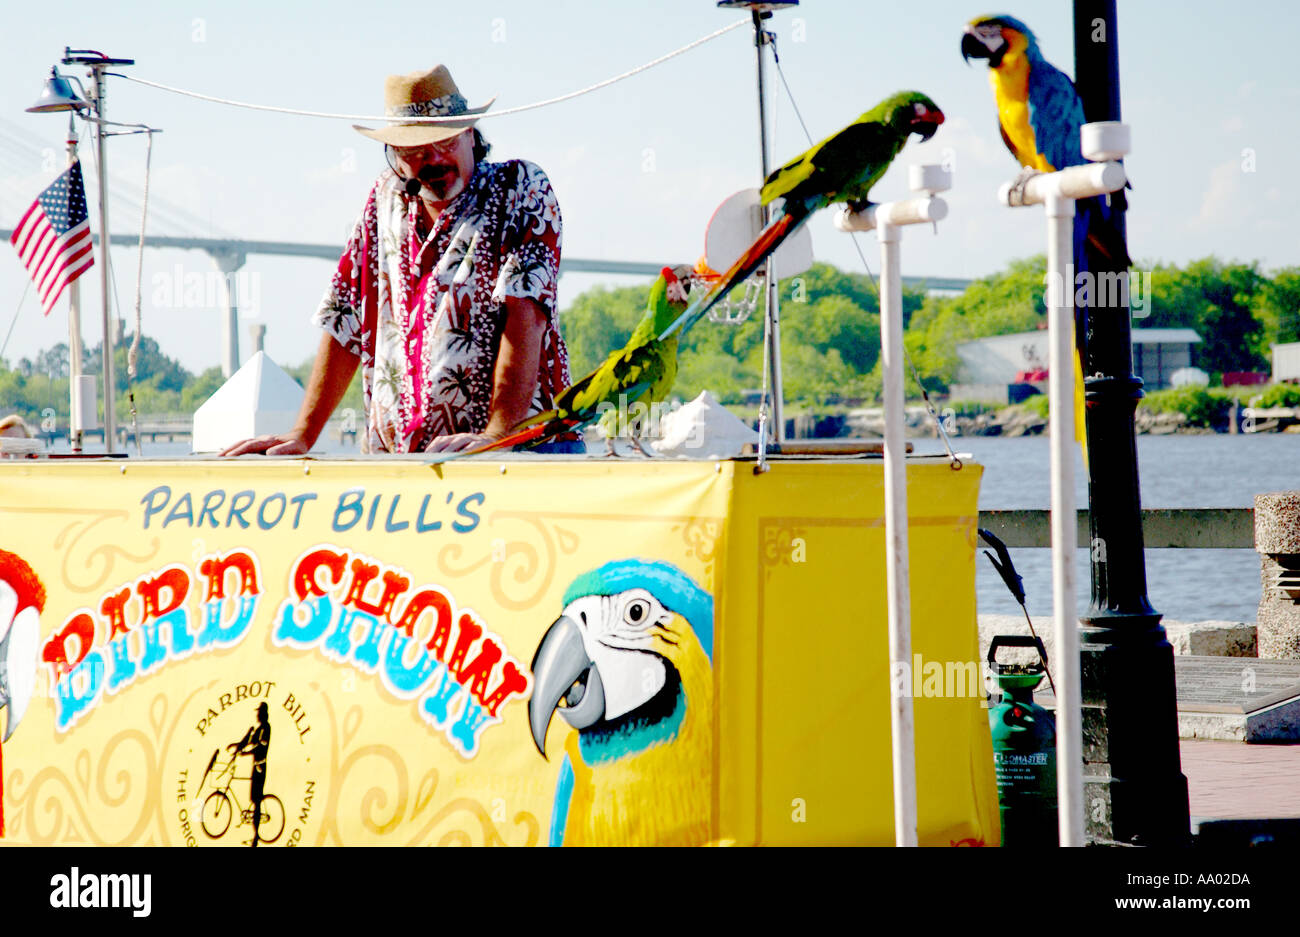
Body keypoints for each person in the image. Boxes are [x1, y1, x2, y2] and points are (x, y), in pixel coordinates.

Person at [222, 65, 580, 456]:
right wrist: (302, 434)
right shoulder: (384, 199)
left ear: (470, 136)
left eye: (444, 142)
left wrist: (496, 435)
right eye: (415, 150)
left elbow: (525, 313)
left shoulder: (519, 187)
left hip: (519, 455)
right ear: (393, 155)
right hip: (405, 465)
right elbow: (344, 317)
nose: (434, 159)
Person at [228, 702, 271, 846]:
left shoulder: (266, 728)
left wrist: (245, 752)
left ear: (264, 714)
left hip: (260, 767)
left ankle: (256, 837)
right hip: (255, 767)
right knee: (254, 799)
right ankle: (254, 835)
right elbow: (248, 741)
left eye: (259, 712)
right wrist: (236, 746)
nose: (257, 715)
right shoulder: (258, 729)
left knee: (257, 801)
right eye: (257, 712)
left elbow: (260, 747)